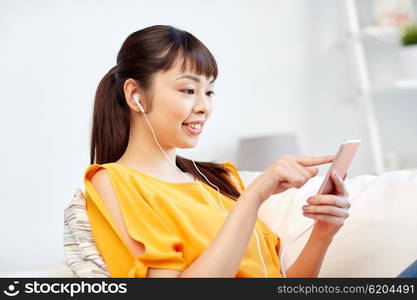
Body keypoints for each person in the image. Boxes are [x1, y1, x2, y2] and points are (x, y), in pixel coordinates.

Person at [83, 24, 354, 278]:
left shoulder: (219, 178)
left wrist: (323, 232)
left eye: (209, 92)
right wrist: (253, 197)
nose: (204, 107)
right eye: (189, 89)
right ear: (135, 95)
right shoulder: (113, 181)